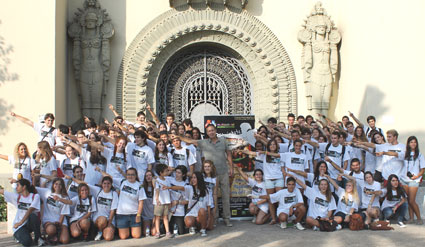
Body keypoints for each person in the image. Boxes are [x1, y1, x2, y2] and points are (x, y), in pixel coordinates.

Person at [170, 124, 234, 227]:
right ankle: (215, 218)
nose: (211, 132)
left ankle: (227, 219)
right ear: (207, 133)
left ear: (215, 130)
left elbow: (229, 154)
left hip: (223, 172)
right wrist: (178, 136)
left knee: (226, 197)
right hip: (210, 175)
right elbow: (189, 141)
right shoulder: (203, 142)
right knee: (212, 198)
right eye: (209, 131)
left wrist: (231, 168)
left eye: (212, 130)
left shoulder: (223, 141)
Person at [240, 140, 285, 224]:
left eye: (274, 144)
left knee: (279, 199)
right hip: (268, 180)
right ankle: (273, 218)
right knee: (270, 199)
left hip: (279, 179)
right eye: (270, 144)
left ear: (277, 146)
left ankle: (281, 218)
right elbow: (252, 153)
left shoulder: (280, 155)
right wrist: (242, 151)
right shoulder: (264, 155)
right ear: (268, 146)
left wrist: (285, 180)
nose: (272, 146)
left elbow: (283, 169)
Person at [165, 172, 210, 237]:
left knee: (202, 210)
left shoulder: (206, 190)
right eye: (192, 178)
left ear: (199, 179)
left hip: (202, 213)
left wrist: (208, 218)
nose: (193, 179)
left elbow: (208, 205)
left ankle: (203, 229)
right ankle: (193, 227)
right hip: (192, 212)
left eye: (195, 178)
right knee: (189, 222)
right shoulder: (190, 188)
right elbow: (180, 188)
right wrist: (169, 187)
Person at [0, 179, 43, 246]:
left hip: (28, 222)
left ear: (24, 187)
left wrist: (21, 222)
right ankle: (19, 236)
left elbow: (30, 210)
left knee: (33, 216)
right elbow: (3, 191)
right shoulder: (17, 197)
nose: (16, 187)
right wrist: (20, 223)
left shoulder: (35, 196)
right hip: (19, 226)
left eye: (18, 185)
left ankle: (38, 238)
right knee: (27, 243)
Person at [36, 178, 72, 245]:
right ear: (53, 185)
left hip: (60, 221)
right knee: (51, 230)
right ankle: (51, 236)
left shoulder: (65, 197)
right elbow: (34, 188)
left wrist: (59, 224)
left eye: (60, 184)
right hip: (48, 220)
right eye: (56, 184)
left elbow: (63, 214)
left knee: (65, 240)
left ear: (62, 186)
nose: (58, 186)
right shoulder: (47, 192)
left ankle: (55, 237)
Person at [116, 168, 146, 239]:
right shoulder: (122, 182)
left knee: (137, 236)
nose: (130, 176)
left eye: (132, 174)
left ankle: (131, 229)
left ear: (136, 175)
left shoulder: (140, 186)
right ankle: (127, 230)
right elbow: (109, 178)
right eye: (128, 174)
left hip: (134, 215)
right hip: (122, 214)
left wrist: (138, 215)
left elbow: (141, 202)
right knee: (123, 237)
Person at [401, 136, 424, 224]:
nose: (413, 144)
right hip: (404, 179)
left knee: (411, 200)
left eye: (414, 142)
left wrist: (416, 176)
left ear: (417, 144)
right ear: (408, 144)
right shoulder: (405, 154)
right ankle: (411, 218)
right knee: (409, 200)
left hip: (414, 180)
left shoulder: (420, 155)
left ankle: (419, 218)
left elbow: (422, 169)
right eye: (411, 142)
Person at [153, 163, 173, 239]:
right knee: (157, 217)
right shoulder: (157, 180)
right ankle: (158, 232)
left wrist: (170, 200)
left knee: (165, 216)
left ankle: (167, 231)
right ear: (161, 173)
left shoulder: (167, 180)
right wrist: (157, 199)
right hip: (160, 202)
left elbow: (169, 190)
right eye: (166, 171)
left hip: (166, 201)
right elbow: (157, 190)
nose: (167, 172)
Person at [168, 166, 188, 235]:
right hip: (169, 210)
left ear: (183, 174)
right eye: (176, 172)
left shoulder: (185, 185)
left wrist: (177, 202)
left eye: (179, 173)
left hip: (179, 210)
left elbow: (187, 201)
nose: (177, 174)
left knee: (180, 232)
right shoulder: (169, 179)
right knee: (168, 230)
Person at [202, 160, 217, 230]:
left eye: (208, 166)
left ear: (212, 167)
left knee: (210, 227)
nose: (207, 168)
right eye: (205, 166)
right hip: (201, 202)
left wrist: (215, 207)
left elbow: (214, 193)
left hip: (210, 202)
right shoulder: (200, 176)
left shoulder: (215, 179)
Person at [141, 170, 155, 237]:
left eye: (150, 175)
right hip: (146, 215)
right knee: (146, 233)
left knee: (154, 233)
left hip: (154, 215)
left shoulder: (156, 187)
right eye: (146, 176)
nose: (148, 177)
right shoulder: (142, 187)